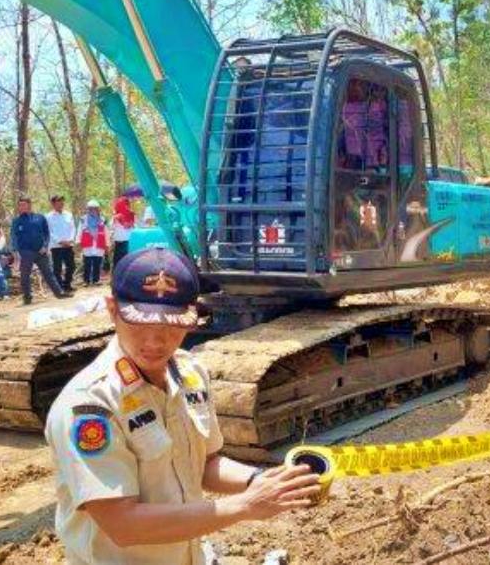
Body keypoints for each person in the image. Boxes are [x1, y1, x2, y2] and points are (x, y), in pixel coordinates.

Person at [45, 248, 322, 563]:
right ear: (112, 310)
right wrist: (245, 505)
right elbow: (121, 524)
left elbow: (205, 464)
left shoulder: (189, 373)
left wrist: (261, 481)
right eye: (140, 324)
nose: (155, 341)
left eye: (172, 325)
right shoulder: (91, 404)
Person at [11, 196, 72, 305]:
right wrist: (16, 251)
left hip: (41, 251)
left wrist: (45, 246)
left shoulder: (39, 218)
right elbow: (13, 236)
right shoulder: (16, 221)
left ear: (29, 205)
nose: (21, 207)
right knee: (25, 275)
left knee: (48, 273)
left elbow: (46, 233)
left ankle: (59, 293)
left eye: (24, 204)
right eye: (20, 205)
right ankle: (27, 298)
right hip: (26, 252)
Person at [47, 195, 78, 293]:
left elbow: (73, 228)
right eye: (58, 202)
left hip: (68, 245)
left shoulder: (68, 215)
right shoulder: (48, 217)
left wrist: (70, 240)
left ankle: (67, 284)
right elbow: (49, 231)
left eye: (62, 201)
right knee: (57, 268)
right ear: (53, 204)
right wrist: (60, 241)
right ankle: (59, 287)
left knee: (71, 266)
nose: (61, 204)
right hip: (56, 246)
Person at [79, 200, 109, 286]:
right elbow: (79, 231)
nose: (93, 210)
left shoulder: (102, 219)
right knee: (87, 262)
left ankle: (96, 280)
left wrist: (107, 244)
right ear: (88, 209)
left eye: (95, 208)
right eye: (91, 209)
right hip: (87, 243)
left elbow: (106, 232)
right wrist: (78, 242)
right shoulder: (83, 219)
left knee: (97, 262)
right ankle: (86, 280)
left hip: (99, 243)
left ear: (98, 209)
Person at [111, 196, 135, 269]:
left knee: (124, 260)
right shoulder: (117, 216)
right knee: (118, 261)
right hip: (119, 241)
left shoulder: (130, 214)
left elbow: (129, 226)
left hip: (126, 241)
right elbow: (112, 227)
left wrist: (119, 218)